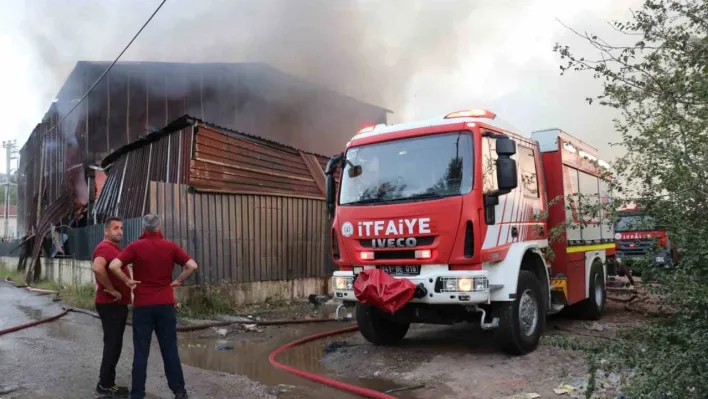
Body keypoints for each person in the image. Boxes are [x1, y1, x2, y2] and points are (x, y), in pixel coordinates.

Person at [108, 214, 198, 399]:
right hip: (165, 305)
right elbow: (192, 266)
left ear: (143, 229)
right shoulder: (170, 246)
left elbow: (114, 265)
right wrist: (179, 280)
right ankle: (179, 392)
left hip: (142, 306)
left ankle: (138, 394)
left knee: (141, 351)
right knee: (169, 349)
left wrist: (127, 280)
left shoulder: (135, 247)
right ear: (159, 228)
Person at [91, 217, 131, 398]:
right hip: (110, 304)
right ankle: (105, 385)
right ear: (106, 231)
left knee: (114, 344)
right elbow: (98, 268)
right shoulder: (104, 248)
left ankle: (108, 382)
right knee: (112, 344)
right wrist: (111, 289)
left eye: (121, 228)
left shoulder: (114, 249)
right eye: (115, 228)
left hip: (116, 304)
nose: (120, 231)